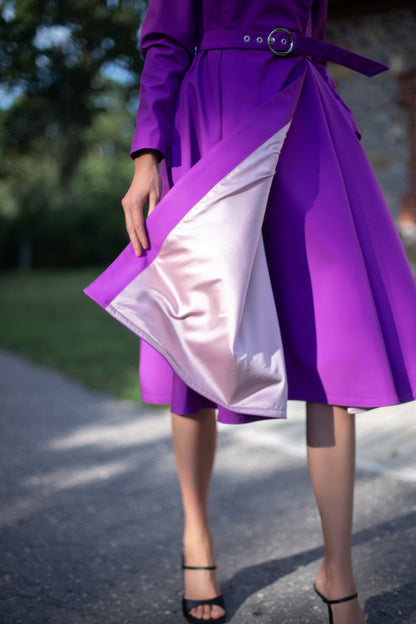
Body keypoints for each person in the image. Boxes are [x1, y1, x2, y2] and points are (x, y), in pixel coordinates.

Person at [85, 1, 416, 622]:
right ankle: (197, 539)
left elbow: (312, 29)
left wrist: (336, 115)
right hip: (211, 120)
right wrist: (146, 154)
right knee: (198, 335)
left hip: (308, 118)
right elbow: (165, 44)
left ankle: (338, 573)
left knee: (335, 344)